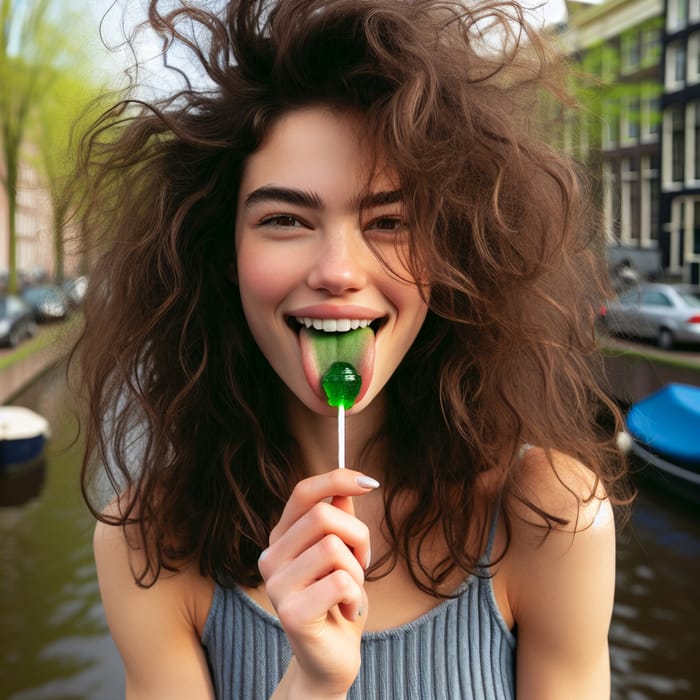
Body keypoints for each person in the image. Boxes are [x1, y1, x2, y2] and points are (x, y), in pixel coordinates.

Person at [71, 1, 631, 698]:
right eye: (285, 219)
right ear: (221, 254)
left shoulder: (549, 517)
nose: (338, 269)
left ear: (452, 256)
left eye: (390, 221)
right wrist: (311, 685)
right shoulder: (146, 540)